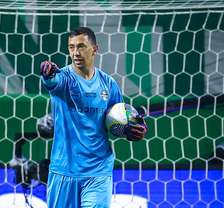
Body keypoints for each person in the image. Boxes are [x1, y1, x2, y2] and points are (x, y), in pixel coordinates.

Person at [40, 27, 147, 208]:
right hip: (64, 170)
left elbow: (116, 122)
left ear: (95, 49)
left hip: (98, 171)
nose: (75, 53)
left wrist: (130, 130)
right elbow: (52, 82)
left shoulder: (108, 84)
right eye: (71, 47)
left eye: (81, 46)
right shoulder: (63, 78)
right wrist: (47, 74)